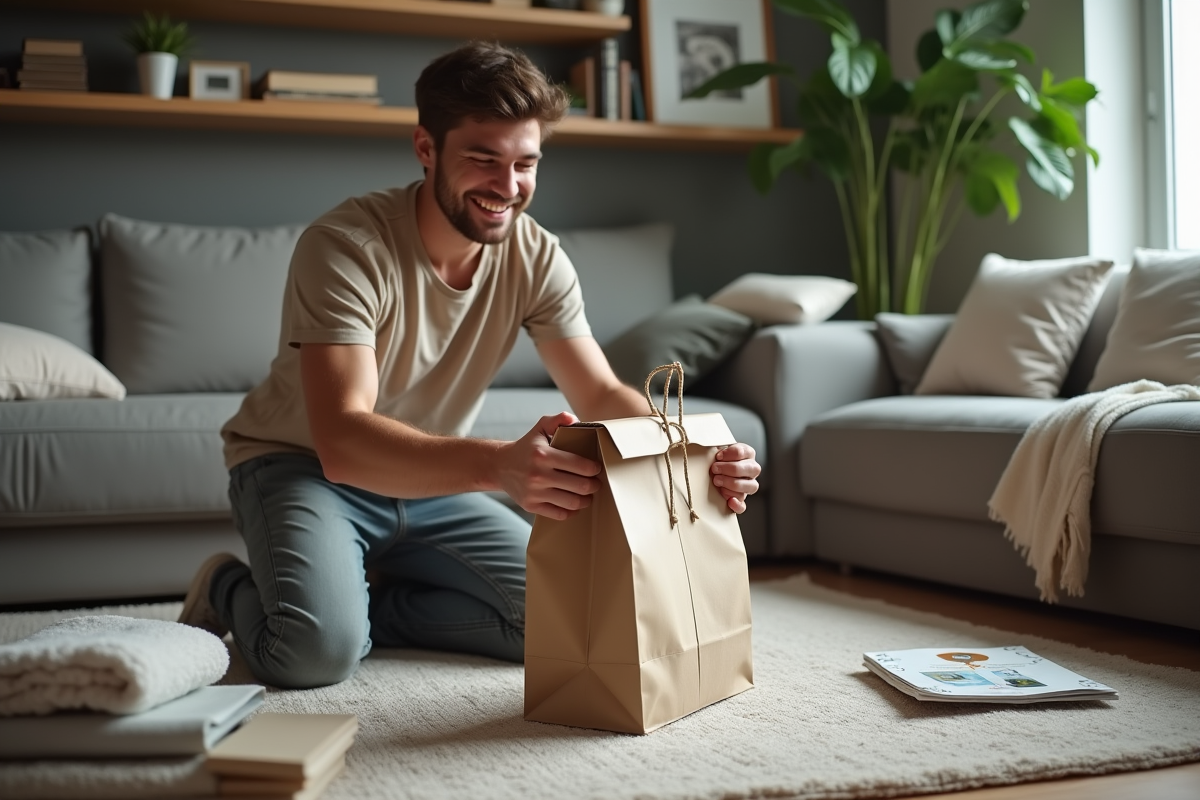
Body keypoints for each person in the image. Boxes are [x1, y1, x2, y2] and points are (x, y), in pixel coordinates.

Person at [178, 41, 762, 689]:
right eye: (483, 160)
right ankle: (231, 585)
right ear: (426, 148)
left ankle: (358, 605)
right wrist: (496, 466)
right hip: (301, 466)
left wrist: (689, 452)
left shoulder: (538, 256)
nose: (507, 189)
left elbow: (596, 389)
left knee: (568, 622)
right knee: (313, 655)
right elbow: (342, 440)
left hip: (433, 480)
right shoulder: (346, 247)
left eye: (526, 164)